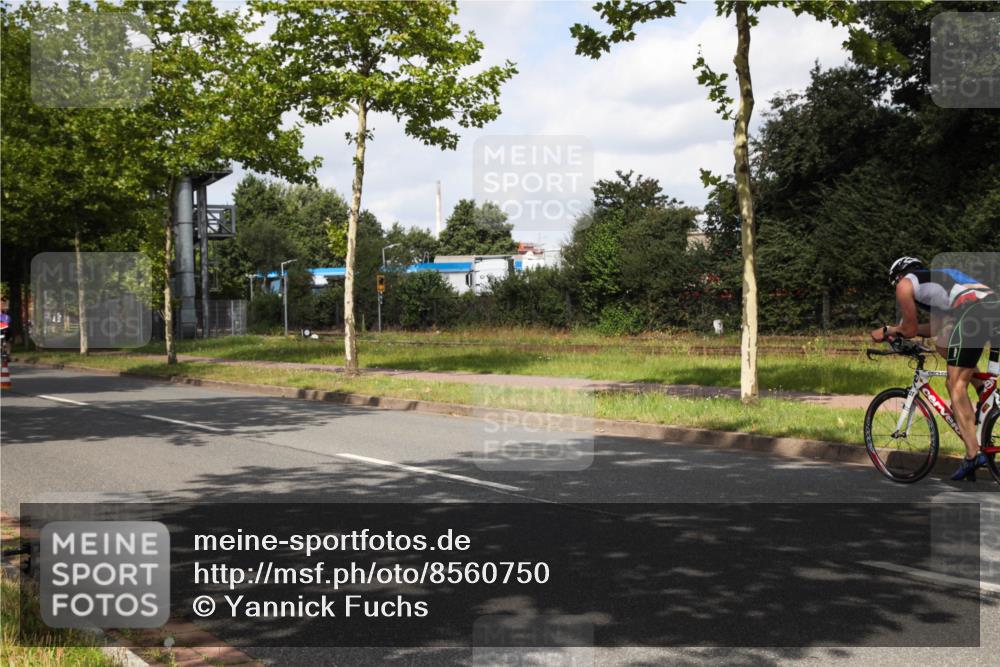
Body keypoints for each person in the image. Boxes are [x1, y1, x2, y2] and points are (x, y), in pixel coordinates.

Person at [871, 257, 1000, 481]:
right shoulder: (937, 284)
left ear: (898, 276)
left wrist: (888, 330)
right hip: (990, 309)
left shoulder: (905, 284)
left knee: (955, 385)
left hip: (974, 312)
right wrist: (902, 332)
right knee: (946, 348)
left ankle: (972, 454)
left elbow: (909, 328)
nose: (897, 289)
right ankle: (984, 393)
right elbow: (934, 330)